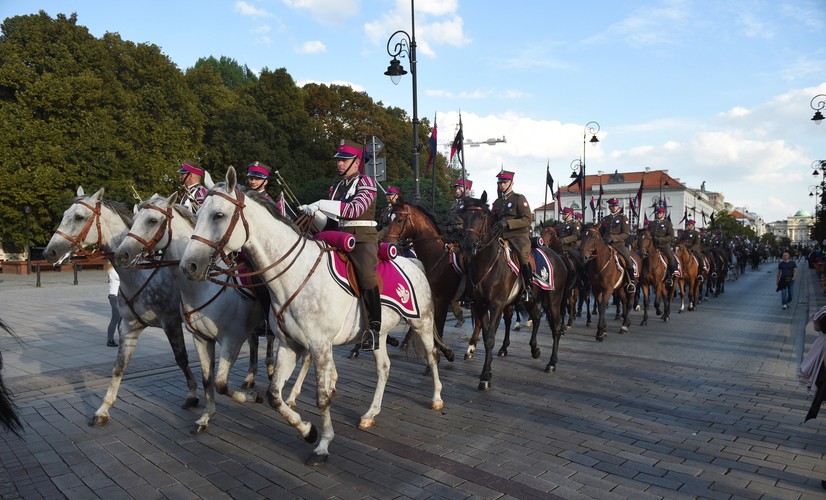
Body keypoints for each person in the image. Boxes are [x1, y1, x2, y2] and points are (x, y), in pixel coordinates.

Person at [300, 140, 381, 350]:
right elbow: (332, 222)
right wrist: (315, 216)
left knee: (366, 274)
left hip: (363, 237)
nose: (340, 164)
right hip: (338, 235)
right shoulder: (336, 187)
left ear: (357, 162)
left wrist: (319, 203)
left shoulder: (367, 182)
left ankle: (374, 328)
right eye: (339, 160)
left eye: (344, 160)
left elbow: (354, 210)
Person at [491, 170, 533, 302]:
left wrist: (508, 223)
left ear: (511, 183)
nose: (502, 185)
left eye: (504, 182)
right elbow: (493, 220)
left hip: (518, 236)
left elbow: (527, 220)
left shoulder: (519, 199)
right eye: (500, 183)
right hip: (500, 236)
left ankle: (528, 287)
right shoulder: (497, 202)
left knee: (522, 256)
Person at [600, 198, 635, 292]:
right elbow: (601, 232)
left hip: (619, 245)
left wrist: (613, 238)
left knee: (627, 258)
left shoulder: (623, 218)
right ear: (609, 207)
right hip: (606, 244)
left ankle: (631, 281)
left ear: (618, 207)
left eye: (615, 206)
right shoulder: (605, 219)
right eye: (612, 206)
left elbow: (626, 233)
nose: (613, 208)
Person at [650, 206, 680, 284]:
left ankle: (671, 274)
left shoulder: (668, 224)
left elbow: (671, 236)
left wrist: (660, 240)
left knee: (670, 257)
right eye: (657, 213)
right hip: (653, 245)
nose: (658, 215)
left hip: (663, 245)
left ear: (664, 214)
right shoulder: (652, 223)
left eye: (660, 213)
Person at [106, 267, 121, 347]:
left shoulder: (116, 270)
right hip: (114, 296)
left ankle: (122, 338)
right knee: (115, 318)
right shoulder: (113, 271)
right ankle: (110, 340)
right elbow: (123, 277)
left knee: (121, 319)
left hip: (120, 296)